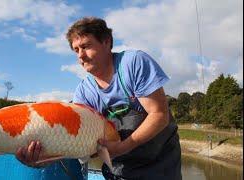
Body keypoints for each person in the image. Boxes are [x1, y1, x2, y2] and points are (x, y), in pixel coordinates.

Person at [16, 16, 182, 180]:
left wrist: (123, 147)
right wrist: (40, 161)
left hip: (160, 168)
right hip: (118, 170)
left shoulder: (133, 63)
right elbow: (74, 141)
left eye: (86, 46)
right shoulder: (84, 92)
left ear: (106, 42)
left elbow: (159, 115)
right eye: (76, 50)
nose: (80, 55)